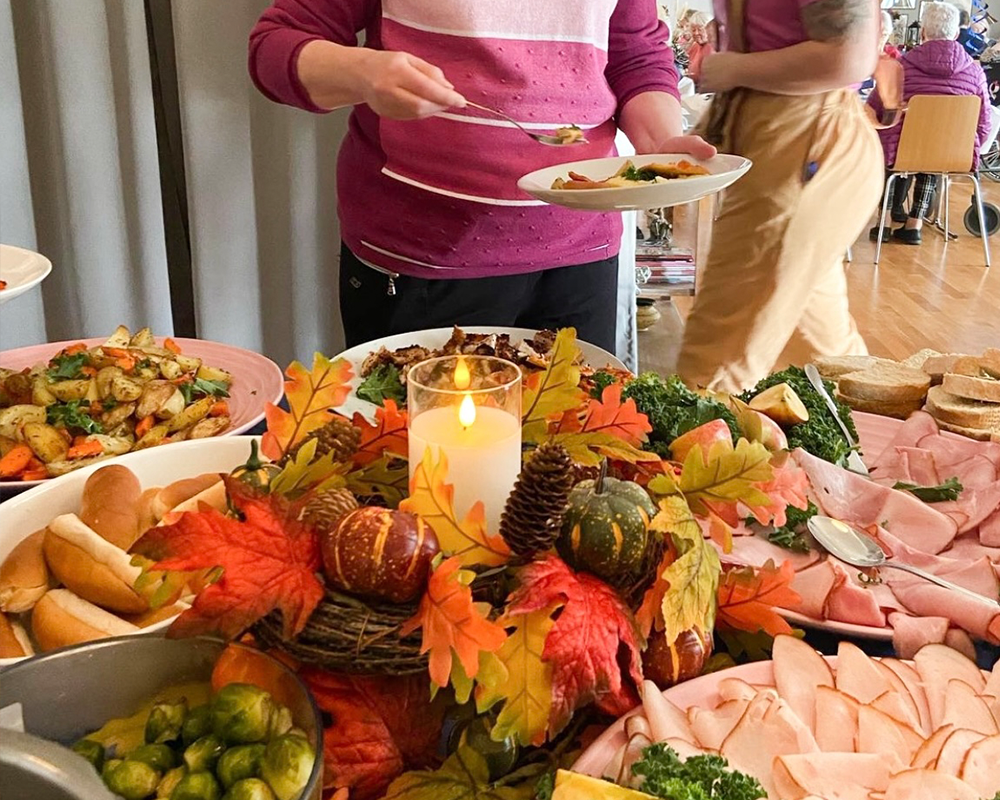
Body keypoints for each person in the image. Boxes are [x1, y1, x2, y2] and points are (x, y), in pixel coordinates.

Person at [248, 0, 713, 351]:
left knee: (570, 457)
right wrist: (363, 72)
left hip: (581, 252)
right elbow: (276, 45)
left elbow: (633, 54)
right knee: (420, 465)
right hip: (423, 259)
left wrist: (661, 145)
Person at [674, 0, 884, 394]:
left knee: (715, 365)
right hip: (786, 145)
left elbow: (848, 56)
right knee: (825, 355)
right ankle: (886, 444)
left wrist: (730, 68)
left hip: (803, 145)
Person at [867, 1, 991, 244]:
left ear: (922, 32)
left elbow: (875, 106)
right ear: (956, 34)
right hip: (952, 153)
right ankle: (915, 225)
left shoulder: (901, 66)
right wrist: (972, 145)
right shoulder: (975, 73)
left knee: (898, 148)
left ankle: (887, 221)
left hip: (902, 151)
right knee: (935, 152)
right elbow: (984, 122)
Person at [685, 12, 717, 82]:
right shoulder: (694, 47)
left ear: (709, 29)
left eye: (700, 29)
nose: (696, 33)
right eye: (693, 30)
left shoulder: (714, 48)